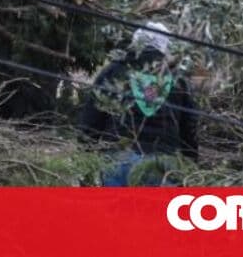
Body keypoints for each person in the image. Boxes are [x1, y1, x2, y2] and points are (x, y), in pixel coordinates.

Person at [79, 22, 199, 186]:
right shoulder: (178, 81)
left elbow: (92, 117)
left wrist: (85, 158)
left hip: (118, 157)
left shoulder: (114, 71)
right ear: (165, 48)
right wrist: (191, 164)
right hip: (161, 163)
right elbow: (189, 129)